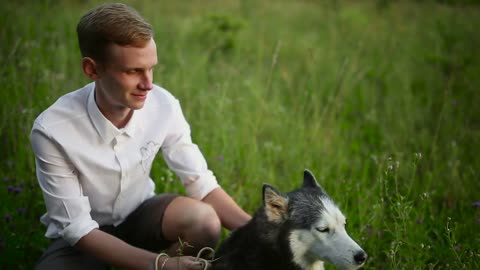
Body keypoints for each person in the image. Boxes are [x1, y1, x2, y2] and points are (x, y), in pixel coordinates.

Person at [31, 3, 251, 270]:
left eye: (151, 68)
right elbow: (77, 228)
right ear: (92, 69)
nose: (148, 84)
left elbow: (201, 183)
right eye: (133, 71)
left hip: (141, 216)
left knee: (203, 221)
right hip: (85, 238)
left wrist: (266, 234)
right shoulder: (52, 129)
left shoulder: (164, 105)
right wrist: (161, 264)